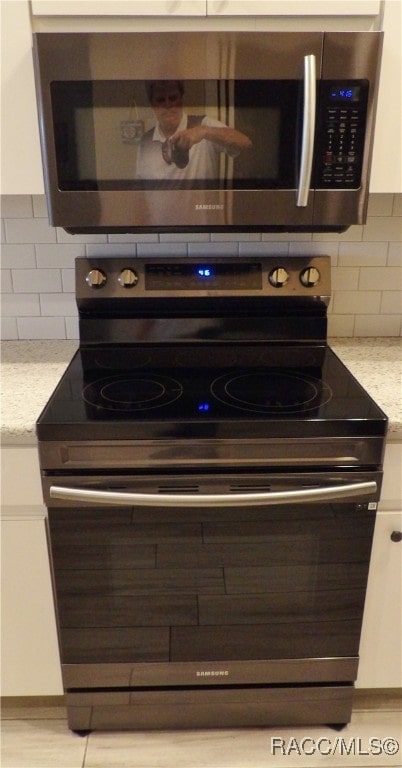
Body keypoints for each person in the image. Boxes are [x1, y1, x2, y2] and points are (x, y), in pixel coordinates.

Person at [136, 80, 252, 184]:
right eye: (160, 100)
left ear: (182, 99)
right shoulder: (145, 141)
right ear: (152, 105)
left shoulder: (203, 124)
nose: (168, 105)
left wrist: (204, 131)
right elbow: (141, 189)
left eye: (173, 98)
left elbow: (245, 143)